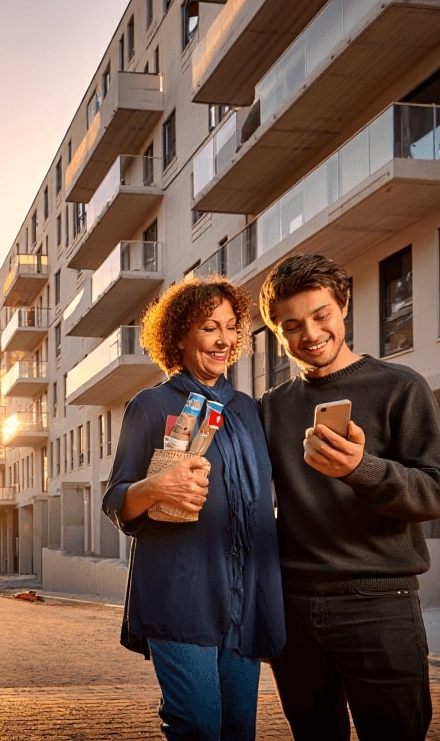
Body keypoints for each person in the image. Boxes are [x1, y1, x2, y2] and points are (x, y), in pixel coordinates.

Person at [257, 254, 440, 740]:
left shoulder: (401, 387)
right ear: (279, 332)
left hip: (380, 602)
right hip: (296, 608)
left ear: (342, 307)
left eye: (321, 315)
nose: (310, 334)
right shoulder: (271, 408)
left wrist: (360, 470)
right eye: (293, 325)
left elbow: (439, 492)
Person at [102, 275, 285, 741]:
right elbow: (116, 500)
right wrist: (157, 487)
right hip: (180, 594)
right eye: (209, 327)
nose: (223, 339)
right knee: (198, 727)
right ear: (179, 336)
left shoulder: (247, 410)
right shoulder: (150, 405)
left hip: (243, 601)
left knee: (238, 730)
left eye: (230, 327)